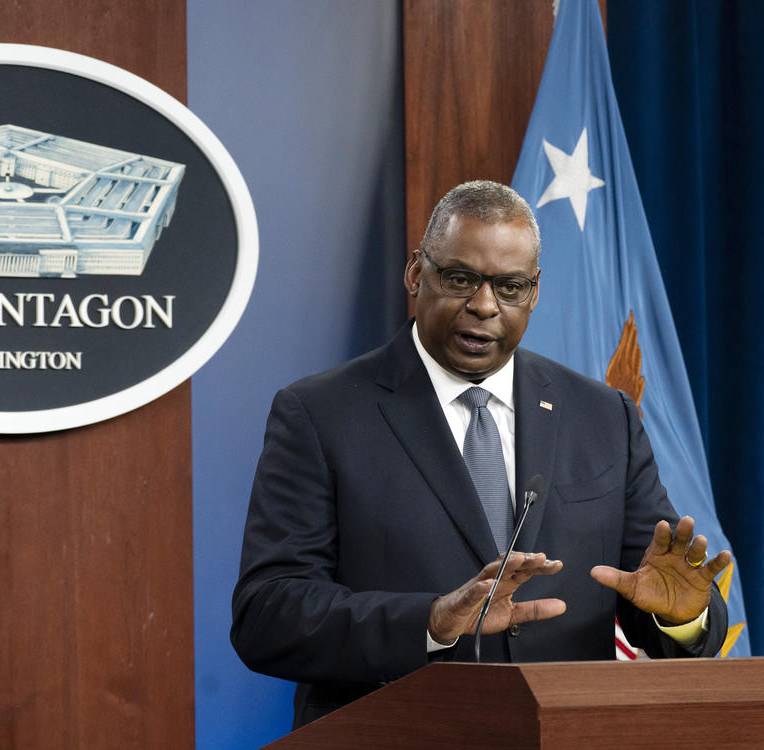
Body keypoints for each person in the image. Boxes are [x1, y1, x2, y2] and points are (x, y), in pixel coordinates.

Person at [230, 180, 729, 730]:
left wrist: (681, 619)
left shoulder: (603, 415)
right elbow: (267, 614)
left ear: (534, 293)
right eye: (461, 278)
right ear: (417, 274)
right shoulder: (321, 413)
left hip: (567, 735)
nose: (485, 305)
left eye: (510, 286)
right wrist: (432, 621)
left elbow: (651, 586)